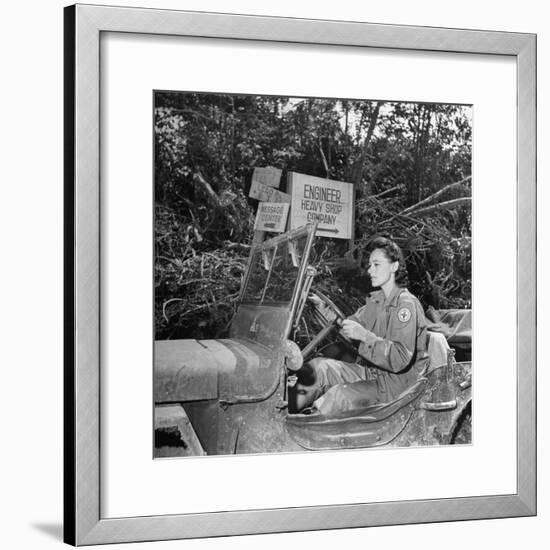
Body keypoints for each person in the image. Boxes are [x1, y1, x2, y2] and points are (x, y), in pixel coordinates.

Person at [294, 236, 429, 415]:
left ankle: (305, 434)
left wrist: (365, 336)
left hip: (400, 386)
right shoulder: (376, 302)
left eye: (376, 264)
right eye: (369, 265)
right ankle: (281, 410)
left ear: (394, 267)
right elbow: (347, 325)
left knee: (339, 396)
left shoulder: (405, 304)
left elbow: (400, 358)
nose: (370, 270)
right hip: (375, 374)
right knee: (319, 368)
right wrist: (323, 309)